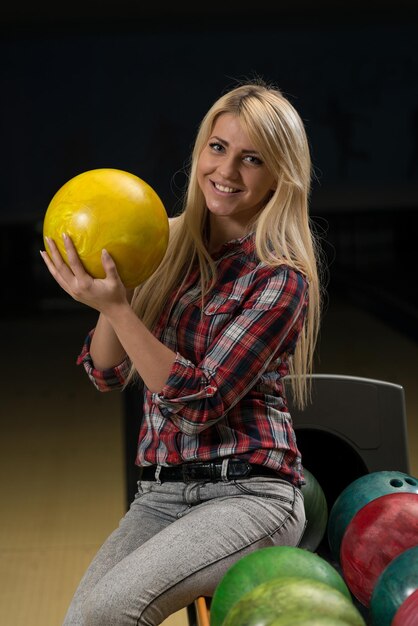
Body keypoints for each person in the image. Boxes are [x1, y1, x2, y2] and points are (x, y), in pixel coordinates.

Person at [41, 78, 324, 626]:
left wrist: (123, 309)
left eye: (252, 159)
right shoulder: (164, 244)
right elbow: (105, 371)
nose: (226, 171)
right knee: (85, 621)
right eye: (217, 148)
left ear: (278, 178)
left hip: (250, 496)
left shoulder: (280, 281)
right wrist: (109, 292)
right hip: (161, 495)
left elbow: (200, 402)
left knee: (110, 613)